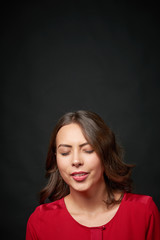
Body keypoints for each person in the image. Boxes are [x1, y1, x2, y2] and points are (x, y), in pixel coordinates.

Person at [26, 110, 160, 240]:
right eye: (65, 152)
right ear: (55, 158)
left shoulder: (143, 211)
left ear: (105, 154)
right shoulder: (40, 221)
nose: (76, 161)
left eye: (88, 150)